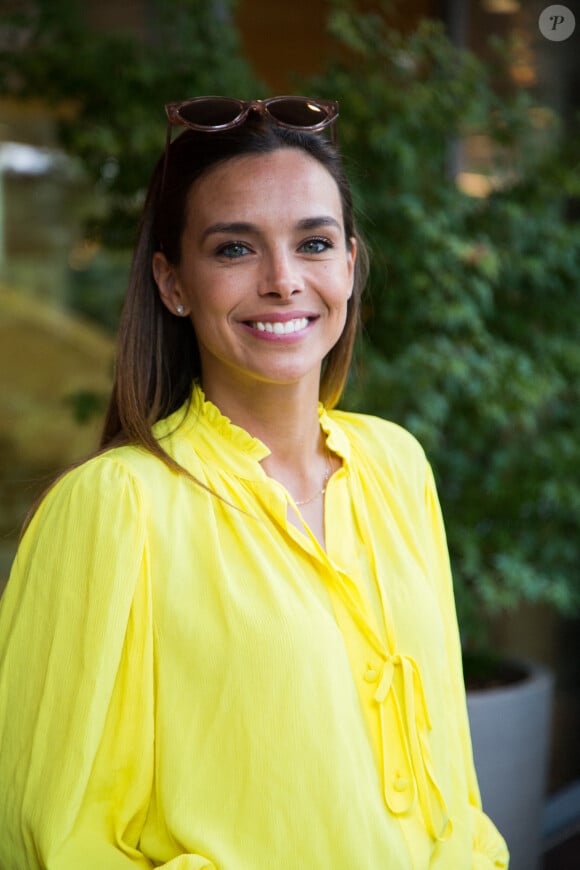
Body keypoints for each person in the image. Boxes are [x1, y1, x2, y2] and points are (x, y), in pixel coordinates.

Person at [0, 96, 509, 869]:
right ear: (173, 284)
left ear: (348, 265)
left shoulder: (396, 464)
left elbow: (452, 780)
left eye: (313, 243)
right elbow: (50, 833)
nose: (282, 280)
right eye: (235, 250)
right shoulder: (114, 508)